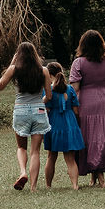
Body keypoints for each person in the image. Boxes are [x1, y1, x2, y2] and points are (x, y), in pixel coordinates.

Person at [68, 29, 105, 188]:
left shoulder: (79, 63)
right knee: (103, 137)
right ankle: (95, 176)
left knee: (90, 138)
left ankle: (99, 176)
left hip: (87, 103)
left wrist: (68, 105)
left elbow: (74, 88)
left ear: (82, 45)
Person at [0, 42, 53, 191]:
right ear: (35, 55)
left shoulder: (14, 69)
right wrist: (38, 103)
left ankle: (23, 172)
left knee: (21, 147)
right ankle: (33, 187)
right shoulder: (43, 70)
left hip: (20, 110)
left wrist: (12, 64)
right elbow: (49, 96)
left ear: (18, 55)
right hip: (39, 110)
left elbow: (0, 85)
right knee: (35, 151)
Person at [43, 61, 84, 190]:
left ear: (49, 75)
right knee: (70, 158)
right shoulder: (70, 89)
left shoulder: (48, 90)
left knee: (51, 156)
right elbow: (76, 110)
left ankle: (48, 185)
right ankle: (75, 185)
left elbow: (46, 108)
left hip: (54, 123)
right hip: (69, 123)